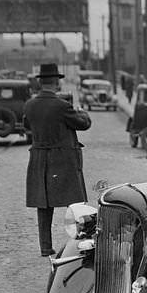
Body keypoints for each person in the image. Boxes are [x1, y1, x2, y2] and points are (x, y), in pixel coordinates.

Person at [23, 63, 92, 257]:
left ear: (40, 82)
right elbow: (83, 124)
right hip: (63, 159)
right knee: (76, 202)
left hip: (38, 159)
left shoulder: (30, 105)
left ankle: (45, 247)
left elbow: (26, 126)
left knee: (43, 205)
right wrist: (80, 111)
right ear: (56, 82)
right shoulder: (62, 106)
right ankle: (81, 242)